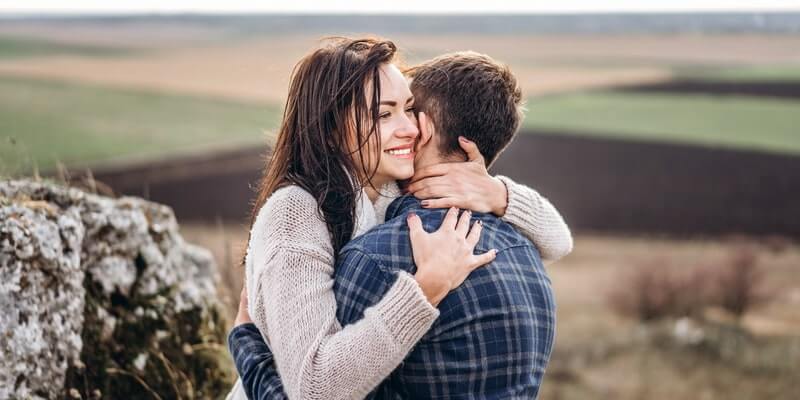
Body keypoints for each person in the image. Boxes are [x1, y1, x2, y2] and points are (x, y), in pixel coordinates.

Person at [228, 38, 571, 399]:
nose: (409, 128)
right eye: (383, 114)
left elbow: (558, 240)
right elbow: (315, 387)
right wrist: (426, 288)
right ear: (329, 131)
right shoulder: (296, 213)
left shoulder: (394, 189)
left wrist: (499, 194)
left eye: (409, 109)